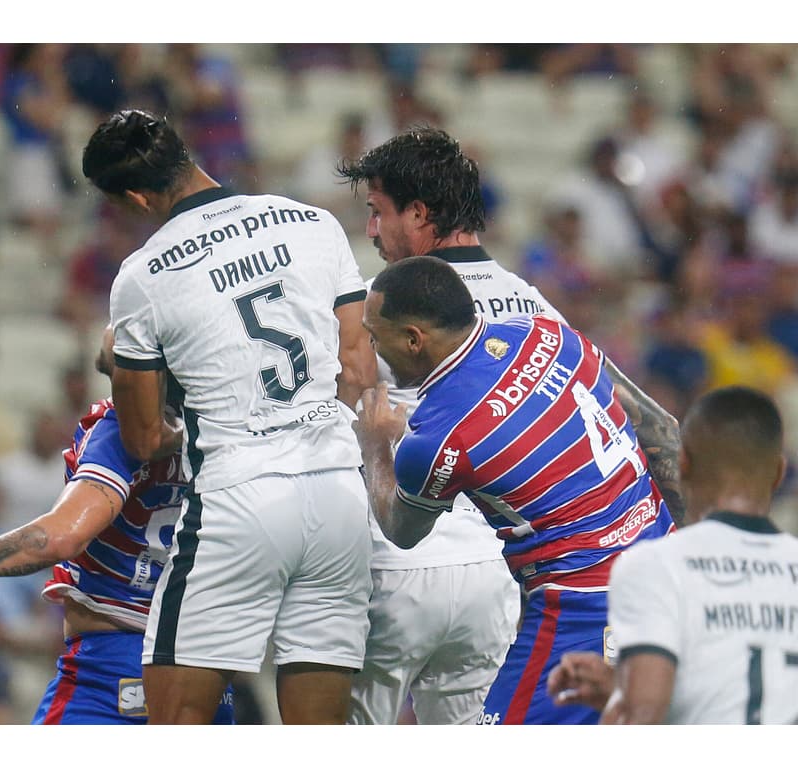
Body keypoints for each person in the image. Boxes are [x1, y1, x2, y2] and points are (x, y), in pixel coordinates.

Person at [335, 127, 683, 725]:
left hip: (409, 568)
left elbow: (335, 418)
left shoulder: (375, 310)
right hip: (502, 586)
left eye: (377, 212)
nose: (371, 230)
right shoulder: (532, 312)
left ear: (418, 214)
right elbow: (660, 432)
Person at [83, 108, 377, 725]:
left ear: (135, 195)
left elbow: (140, 439)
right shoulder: (313, 223)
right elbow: (357, 367)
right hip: (339, 491)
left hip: (237, 497)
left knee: (178, 723)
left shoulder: (143, 274)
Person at [0, 325, 234, 725]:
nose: (114, 328)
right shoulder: (227, 433)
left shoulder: (119, 430)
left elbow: (59, 537)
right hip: (206, 668)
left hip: (114, 667)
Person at [599, 386, 798, 724]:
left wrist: (617, 699)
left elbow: (644, 713)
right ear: (779, 474)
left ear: (683, 463)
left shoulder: (653, 566)